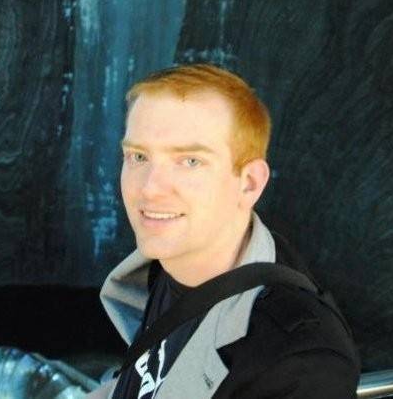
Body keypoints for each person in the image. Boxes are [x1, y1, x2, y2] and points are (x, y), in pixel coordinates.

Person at [87, 64, 360, 399]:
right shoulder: (174, 261)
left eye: (190, 161)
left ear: (249, 183)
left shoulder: (300, 363)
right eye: (138, 156)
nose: (150, 188)